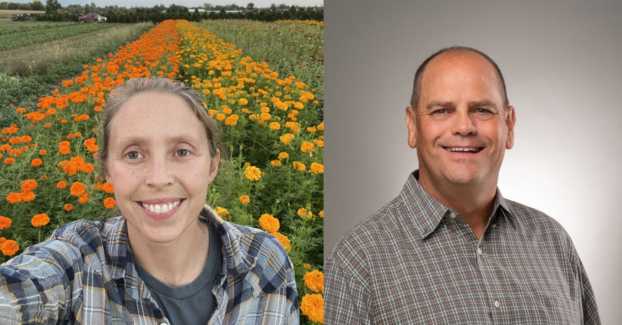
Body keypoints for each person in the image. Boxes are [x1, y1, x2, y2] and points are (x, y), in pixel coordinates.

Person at [324, 47, 600, 324]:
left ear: (509, 125)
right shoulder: (357, 262)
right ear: (412, 126)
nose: (464, 127)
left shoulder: (553, 241)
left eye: (481, 110)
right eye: (442, 111)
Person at [0, 78, 299, 324]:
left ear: (212, 165)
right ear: (107, 170)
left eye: (181, 151)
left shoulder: (266, 262)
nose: (158, 178)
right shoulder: (77, 264)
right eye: (133, 154)